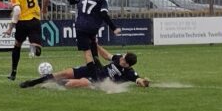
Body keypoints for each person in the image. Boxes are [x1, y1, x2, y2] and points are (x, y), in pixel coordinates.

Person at [20, 44, 149, 89]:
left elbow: (138, 80)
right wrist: (96, 44)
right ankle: (32, 83)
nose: (121, 59)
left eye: (123, 60)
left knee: (73, 84)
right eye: (122, 57)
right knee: (64, 73)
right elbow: (106, 55)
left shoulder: (130, 72)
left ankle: (50, 84)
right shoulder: (118, 58)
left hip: (97, 81)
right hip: (94, 70)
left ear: (127, 64)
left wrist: (143, 82)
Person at [5, 0, 51, 81]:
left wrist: (10, 28)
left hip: (22, 23)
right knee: (36, 45)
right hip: (35, 20)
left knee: (17, 45)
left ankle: (13, 72)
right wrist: (44, 9)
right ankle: (35, 47)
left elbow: (16, 10)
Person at [70, 0, 118, 66]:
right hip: (93, 27)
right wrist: (114, 28)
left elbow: (72, 1)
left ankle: (94, 75)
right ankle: (98, 68)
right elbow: (104, 14)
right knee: (93, 48)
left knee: (87, 52)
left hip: (81, 26)